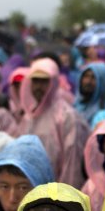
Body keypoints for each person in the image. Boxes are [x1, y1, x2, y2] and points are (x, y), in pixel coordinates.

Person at [15, 58, 90, 187]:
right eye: (35, 81)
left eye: (44, 81)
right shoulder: (29, 116)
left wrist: (62, 200)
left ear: (54, 83)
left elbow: (72, 167)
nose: (38, 86)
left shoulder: (66, 117)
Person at [73, 61, 105, 125]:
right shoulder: (76, 105)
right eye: (86, 76)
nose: (88, 82)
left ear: (102, 82)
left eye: (93, 77)